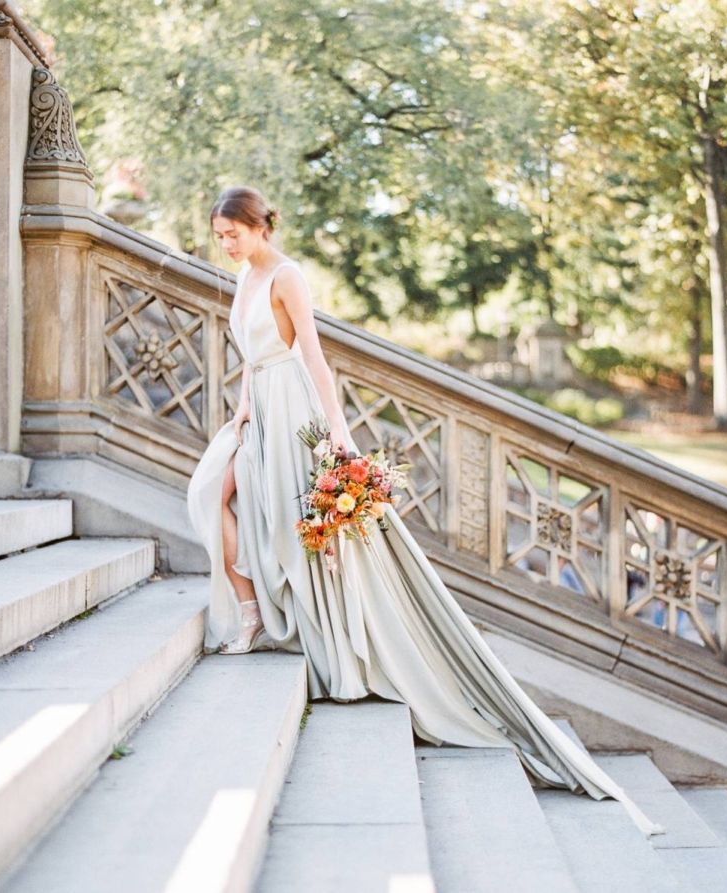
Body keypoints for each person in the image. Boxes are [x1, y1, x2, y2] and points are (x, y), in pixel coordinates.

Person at [185, 185, 662, 837]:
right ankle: (247, 607)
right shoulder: (242, 279)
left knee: (308, 525)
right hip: (259, 409)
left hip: (295, 408)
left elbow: (312, 357)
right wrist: (241, 408)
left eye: (231, 233)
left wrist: (340, 433)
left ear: (257, 224)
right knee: (211, 492)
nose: (226, 244)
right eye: (219, 237)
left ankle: (313, 630)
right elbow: (250, 357)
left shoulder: (287, 276)